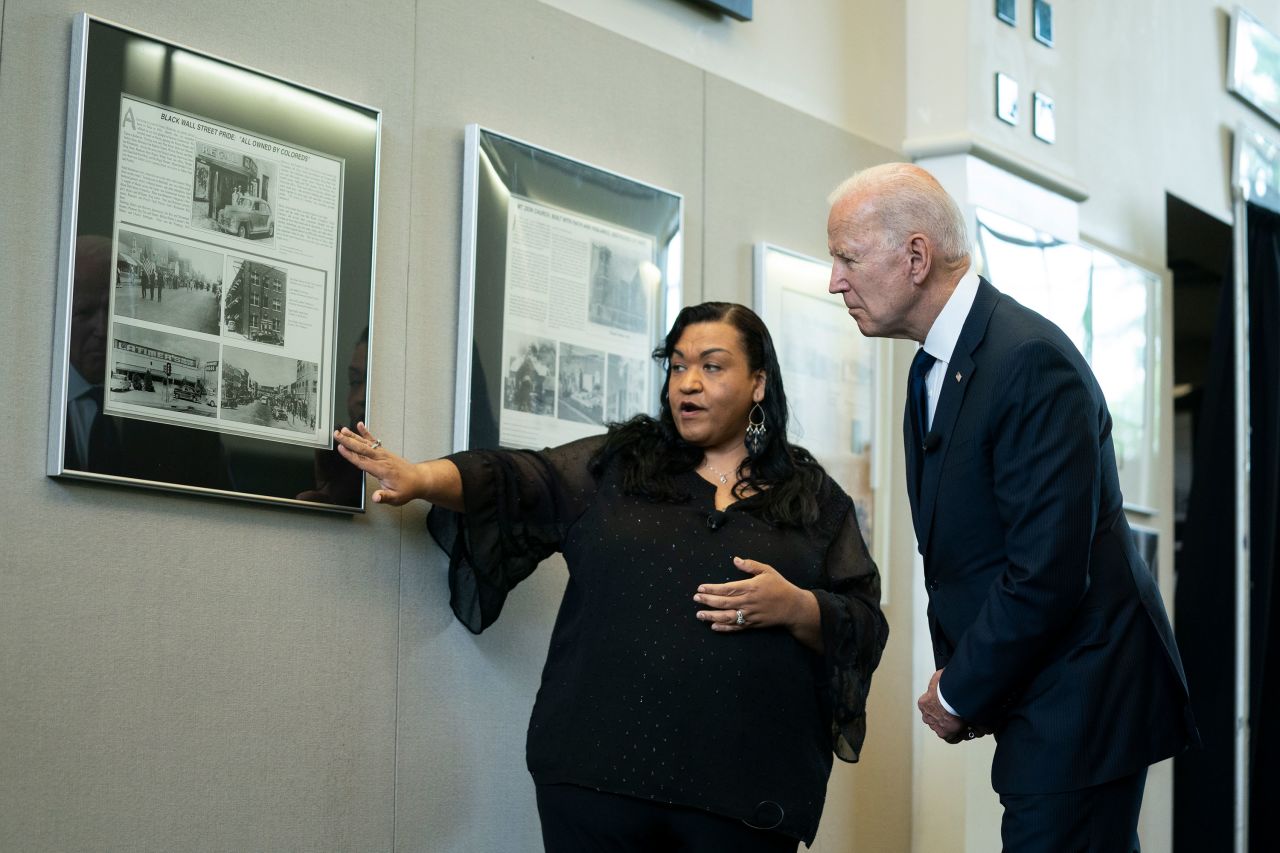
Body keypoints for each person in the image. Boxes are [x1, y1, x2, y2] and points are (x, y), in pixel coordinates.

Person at [335, 302, 889, 850]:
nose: (687, 385)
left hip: (742, 797)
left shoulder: (812, 499)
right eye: (676, 367)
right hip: (596, 780)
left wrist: (797, 607)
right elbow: (520, 478)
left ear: (759, 383)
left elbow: (864, 623)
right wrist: (418, 476)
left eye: (712, 367)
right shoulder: (620, 467)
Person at [826, 163, 1198, 851]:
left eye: (847, 257)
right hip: (1041, 691)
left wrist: (962, 687)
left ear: (915, 256)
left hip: (1083, 697)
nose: (835, 281)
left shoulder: (1028, 359)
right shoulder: (931, 367)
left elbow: (1047, 572)